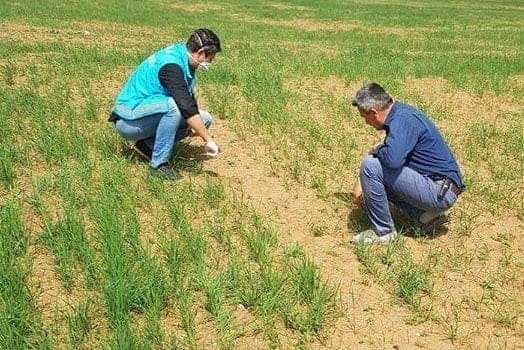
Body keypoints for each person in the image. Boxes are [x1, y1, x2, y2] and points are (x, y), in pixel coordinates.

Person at [350, 82, 465, 245]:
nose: (366, 122)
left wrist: (375, 150)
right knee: (375, 174)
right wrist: (365, 183)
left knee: (370, 166)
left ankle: (383, 232)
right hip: (442, 189)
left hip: (439, 191)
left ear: (373, 112)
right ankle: (425, 215)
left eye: (364, 117)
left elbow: (391, 160)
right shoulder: (400, 115)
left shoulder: (402, 120)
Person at [108, 28, 221, 181]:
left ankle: (148, 145)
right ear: (200, 52)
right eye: (210, 58)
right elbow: (184, 105)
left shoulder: (184, 57)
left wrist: (198, 126)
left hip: (149, 114)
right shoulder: (171, 66)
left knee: (204, 119)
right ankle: (159, 165)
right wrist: (207, 139)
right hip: (128, 121)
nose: (210, 62)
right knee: (173, 107)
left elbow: (188, 99)